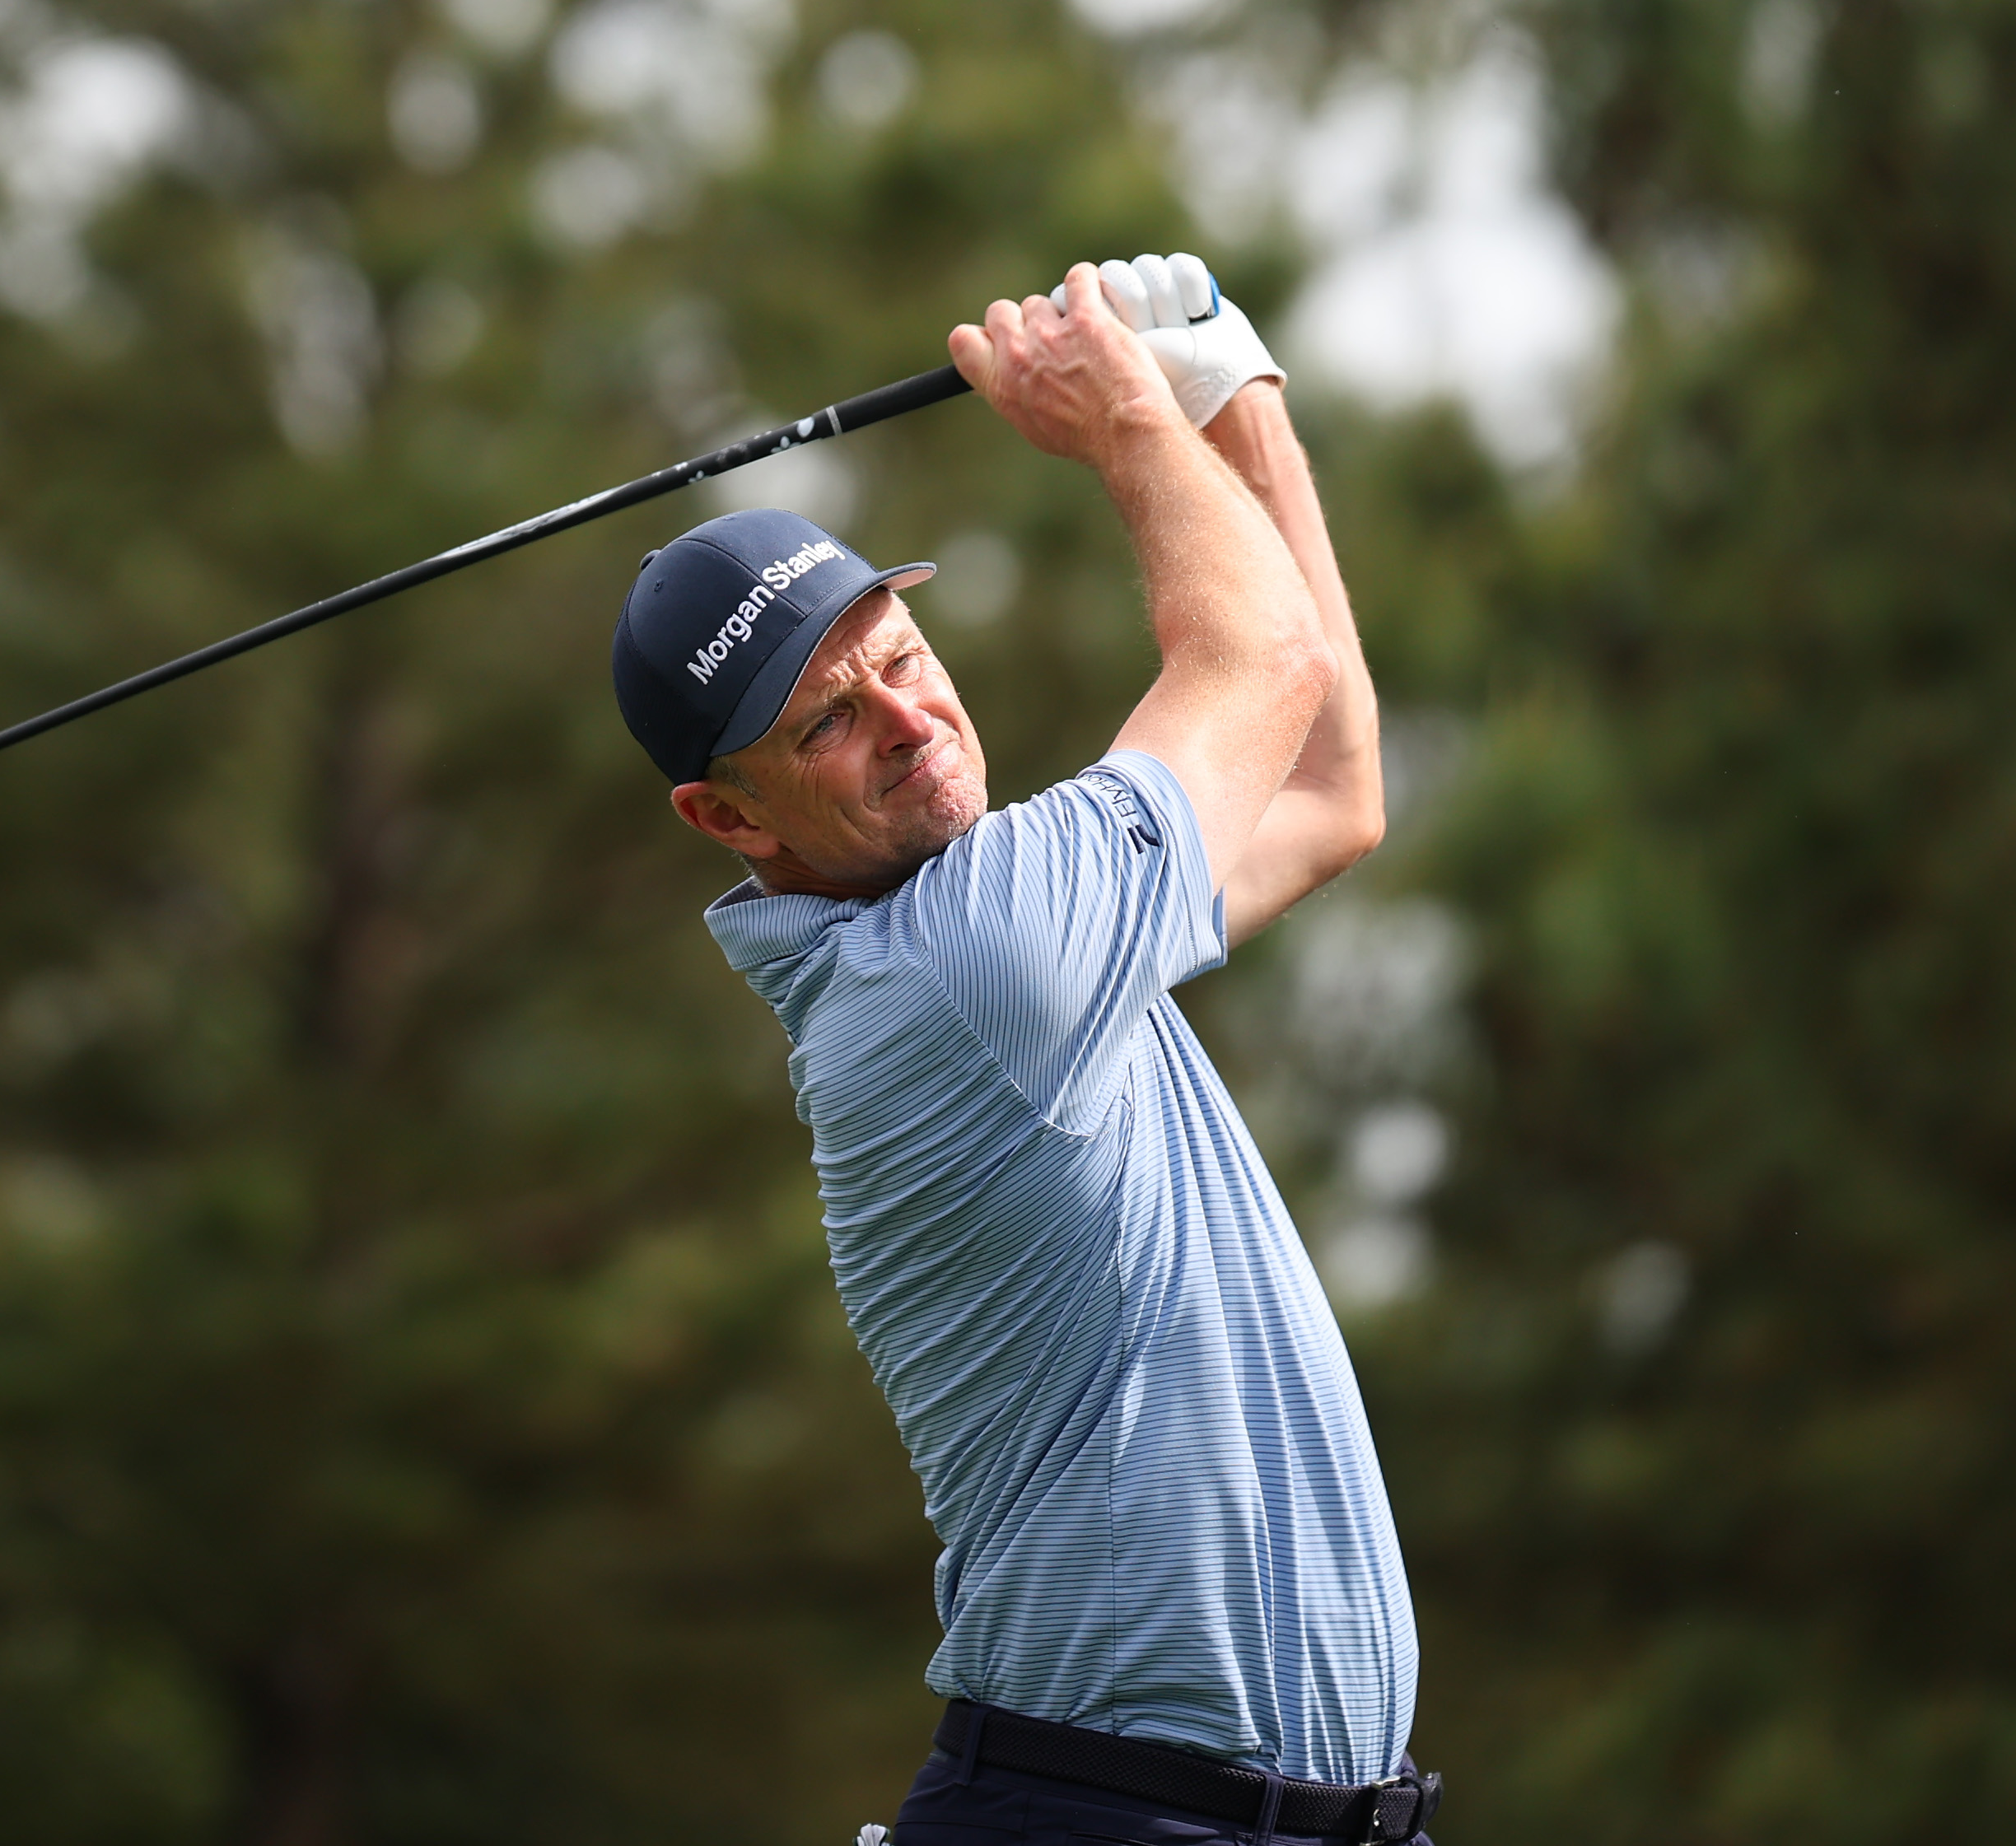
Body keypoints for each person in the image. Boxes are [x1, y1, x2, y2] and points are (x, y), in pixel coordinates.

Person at [608, 257, 1438, 1844]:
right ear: (728, 819)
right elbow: (1264, 668)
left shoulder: (1011, 934)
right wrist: (1128, 410)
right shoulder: (971, 961)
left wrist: (1228, 394)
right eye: (826, 719)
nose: (909, 719)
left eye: (900, 656)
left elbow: (1331, 791)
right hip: (1105, 1818)